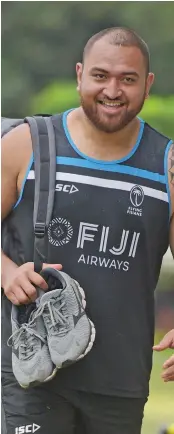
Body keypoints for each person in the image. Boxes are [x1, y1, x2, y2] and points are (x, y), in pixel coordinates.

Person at [1, 26, 174, 434]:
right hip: (34, 373)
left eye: (127, 79)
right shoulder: (27, 144)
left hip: (122, 379)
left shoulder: (166, 164)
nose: (112, 90)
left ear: (147, 84)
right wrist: (8, 272)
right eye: (100, 75)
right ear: (80, 74)